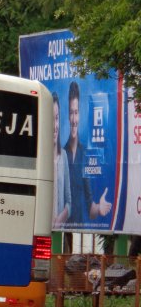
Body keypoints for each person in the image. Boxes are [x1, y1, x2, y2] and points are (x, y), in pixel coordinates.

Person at [64, 81, 111, 225]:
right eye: (71, 113)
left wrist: (99, 208)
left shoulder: (84, 153)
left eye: (76, 113)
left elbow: (91, 209)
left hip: (78, 228)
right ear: (68, 115)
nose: (74, 119)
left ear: (80, 115)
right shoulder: (61, 155)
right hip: (60, 230)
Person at [52, 92, 71, 228]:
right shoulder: (38, 155)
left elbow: (69, 201)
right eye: (51, 118)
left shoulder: (63, 155)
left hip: (59, 230)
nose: (55, 125)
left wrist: (60, 219)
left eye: (57, 118)